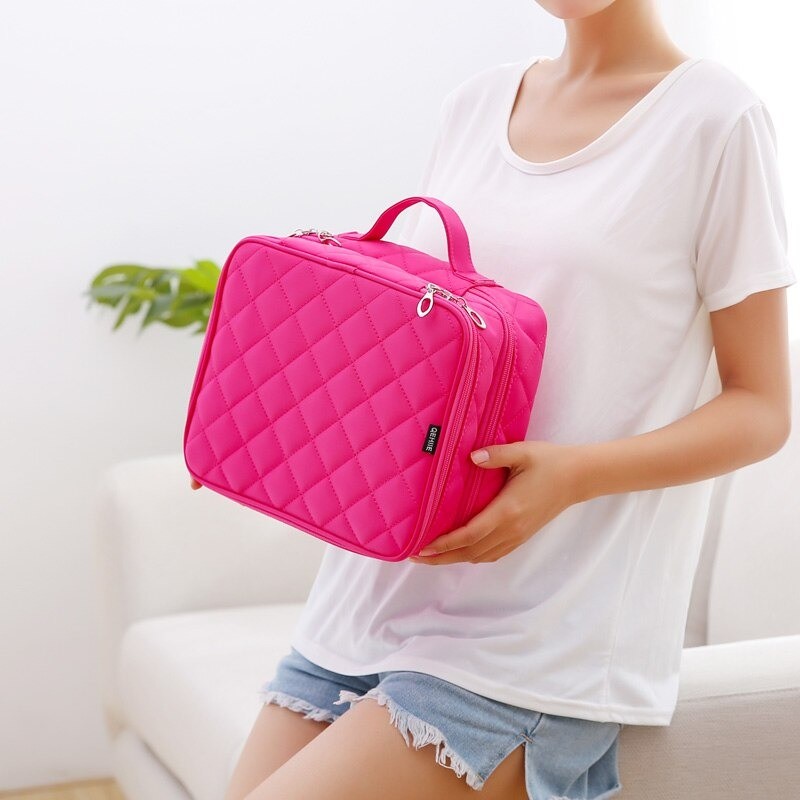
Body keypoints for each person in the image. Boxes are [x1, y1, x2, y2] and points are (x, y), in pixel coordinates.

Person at [205, 1, 797, 798]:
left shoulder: (715, 121)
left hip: (534, 638)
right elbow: (434, 343)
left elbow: (762, 408)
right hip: (368, 596)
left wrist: (572, 476)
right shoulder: (475, 104)